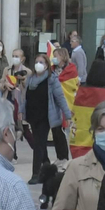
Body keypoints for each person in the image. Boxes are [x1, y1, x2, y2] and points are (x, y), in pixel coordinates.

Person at [22, 54, 70, 183]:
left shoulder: (51, 79)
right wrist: (21, 113)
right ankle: (47, 166)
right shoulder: (30, 79)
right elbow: (25, 98)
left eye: (41, 62)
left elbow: (60, 98)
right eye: (37, 61)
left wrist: (68, 115)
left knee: (38, 144)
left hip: (46, 116)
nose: (38, 64)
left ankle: (36, 173)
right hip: (33, 116)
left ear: (47, 65)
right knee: (40, 144)